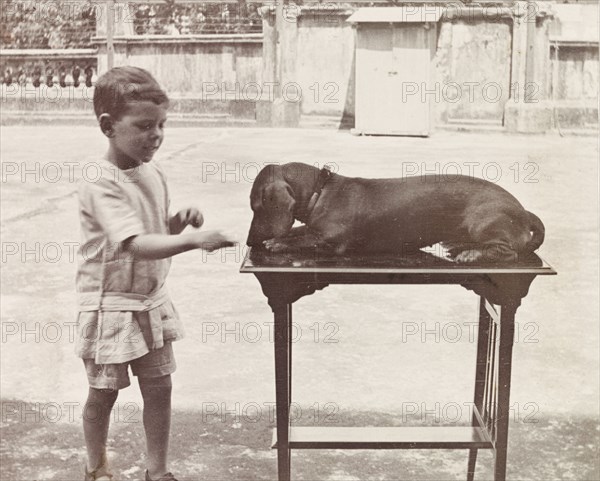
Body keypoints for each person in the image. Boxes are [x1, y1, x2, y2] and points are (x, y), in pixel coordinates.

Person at [75, 66, 235, 481]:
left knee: (160, 389)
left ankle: (157, 470)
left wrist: (176, 223)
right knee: (103, 393)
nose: (156, 135)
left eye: (162, 125)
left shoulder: (153, 170)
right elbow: (133, 243)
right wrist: (194, 242)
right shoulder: (100, 180)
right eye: (144, 126)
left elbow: (152, 231)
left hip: (151, 301)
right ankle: (96, 467)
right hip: (110, 305)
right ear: (108, 126)